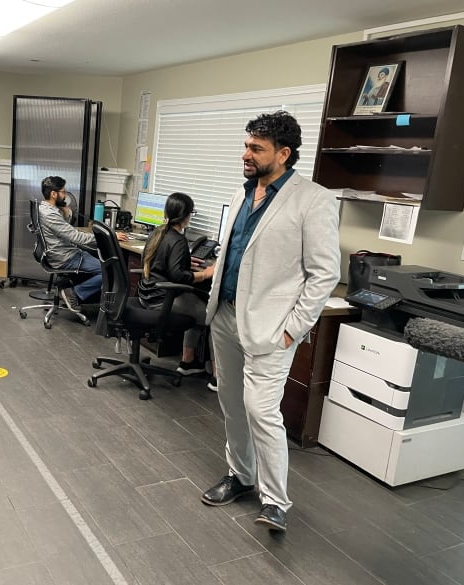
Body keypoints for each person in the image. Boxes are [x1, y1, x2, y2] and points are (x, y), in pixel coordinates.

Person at [200, 111, 340, 533]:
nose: (246, 153)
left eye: (256, 148)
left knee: (262, 412)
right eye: (246, 145)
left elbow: (324, 274)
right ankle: (240, 476)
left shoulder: (314, 200)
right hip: (225, 315)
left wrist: (292, 328)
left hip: (271, 328)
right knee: (232, 406)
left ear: (284, 153)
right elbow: (237, 251)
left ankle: (275, 500)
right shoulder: (246, 191)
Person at [137, 192, 215, 384]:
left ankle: (187, 362)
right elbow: (178, 276)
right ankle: (217, 376)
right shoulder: (178, 240)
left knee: (196, 307)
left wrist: (185, 260)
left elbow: (163, 264)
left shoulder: (158, 232)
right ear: (187, 215)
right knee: (215, 316)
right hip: (165, 300)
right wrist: (205, 273)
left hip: (147, 295)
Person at [38, 176, 127, 314]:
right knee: (110, 271)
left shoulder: (46, 208)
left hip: (62, 253)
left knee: (96, 255)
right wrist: (110, 237)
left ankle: (74, 289)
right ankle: (74, 293)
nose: (65, 195)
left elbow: (64, 231)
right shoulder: (50, 214)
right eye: (63, 192)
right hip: (65, 257)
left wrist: (67, 213)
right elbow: (76, 237)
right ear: (53, 194)